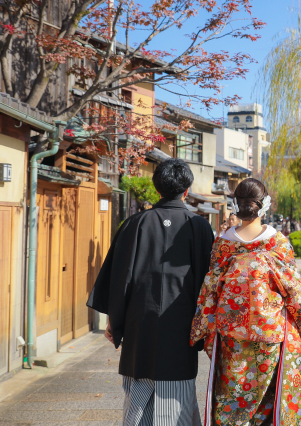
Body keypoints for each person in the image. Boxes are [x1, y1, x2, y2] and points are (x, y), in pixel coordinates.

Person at [87, 158, 215, 426]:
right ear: (186, 190)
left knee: (138, 394)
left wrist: (114, 322)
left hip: (139, 323)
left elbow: (120, 278)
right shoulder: (200, 226)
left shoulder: (135, 224)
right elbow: (209, 284)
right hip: (181, 326)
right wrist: (205, 329)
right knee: (178, 395)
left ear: (158, 189)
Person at [190, 178, 301, 426]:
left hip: (232, 336)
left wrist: (204, 327)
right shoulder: (277, 242)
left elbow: (210, 289)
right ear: (265, 205)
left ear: (235, 204)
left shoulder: (223, 244)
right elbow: (294, 287)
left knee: (233, 393)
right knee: (269, 398)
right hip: (271, 333)